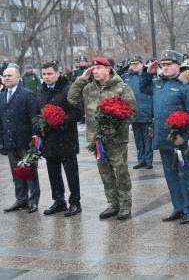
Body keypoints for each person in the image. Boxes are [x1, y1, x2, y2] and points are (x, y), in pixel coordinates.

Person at [68, 57, 137, 220]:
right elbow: (71, 98)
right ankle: (112, 204)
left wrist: (114, 127)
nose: (96, 71)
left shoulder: (122, 88)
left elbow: (133, 113)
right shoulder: (89, 88)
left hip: (116, 140)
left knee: (121, 173)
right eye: (94, 69)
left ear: (108, 69)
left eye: (99, 68)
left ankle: (125, 205)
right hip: (97, 141)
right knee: (105, 173)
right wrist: (82, 79)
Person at [144, 50, 189, 225]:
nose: (165, 68)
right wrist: (149, 72)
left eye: (169, 64)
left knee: (184, 174)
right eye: (163, 65)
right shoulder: (158, 83)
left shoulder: (185, 86)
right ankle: (178, 207)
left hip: (178, 140)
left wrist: (183, 136)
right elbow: (144, 88)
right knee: (170, 175)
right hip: (163, 138)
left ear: (178, 66)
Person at [38, 61, 83, 217]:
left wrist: (60, 122)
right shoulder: (42, 90)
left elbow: (77, 112)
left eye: (49, 73)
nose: (46, 77)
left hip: (66, 138)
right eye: (44, 74)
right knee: (53, 173)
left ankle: (75, 202)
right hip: (49, 140)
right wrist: (41, 124)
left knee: (71, 173)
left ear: (57, 73)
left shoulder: (68, 89)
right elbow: (40, 113)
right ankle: (59, 201)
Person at [0, 65, 40, 213]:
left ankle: (33, 201)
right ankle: (21, 200)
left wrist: (34, 139)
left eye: (10, 75)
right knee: (16, 173)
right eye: (4, 76)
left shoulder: (27, 94)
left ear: (18, 78)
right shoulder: (2, 96)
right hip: (10, 142)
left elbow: (34, 117)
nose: (6, 78)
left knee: (29, 172)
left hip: (26, 142)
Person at [122, 55, 154, 170]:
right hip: (133, 113)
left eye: (137, 64)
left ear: (142, 64)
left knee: (147, 138)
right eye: (132, 64)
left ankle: (149, 160)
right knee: (138, 139)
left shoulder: (147, 76)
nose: (134, 66)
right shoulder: (126, 78)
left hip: (146, 112)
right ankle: (141, 159)